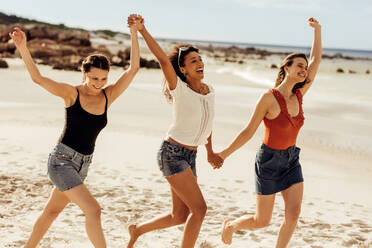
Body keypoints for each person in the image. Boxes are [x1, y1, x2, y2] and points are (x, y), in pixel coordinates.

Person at [9, 15, 140, 248]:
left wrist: (134, 33)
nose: (98, 83)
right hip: (61, 161)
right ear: (84, 73)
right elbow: (38, 79)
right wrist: (23, 47)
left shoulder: (108, 96)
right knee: (94, 210)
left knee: (52, 212)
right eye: (93, 78)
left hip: (84, 164)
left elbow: (133, 69)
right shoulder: (72, 94)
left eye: (103, 78)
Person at [219, 17, 322, 248]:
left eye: (305, 68)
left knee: (293, 216)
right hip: (268, 162)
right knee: (261, 221)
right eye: (299, 66)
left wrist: (318, 31)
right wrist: (223, 154)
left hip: (291, 160)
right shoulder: (268, 98)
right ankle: (231, 225)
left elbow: (316, 60)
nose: (304, 70)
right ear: (286, 67)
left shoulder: (300, 95)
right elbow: (248, 131)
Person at [126, 16, 222, 248]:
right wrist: (142, 30)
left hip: (190, 156)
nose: (199, 63)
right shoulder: (179, 89)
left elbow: (208, 124)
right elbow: (162, 59)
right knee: (199, 210)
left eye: (200, 59)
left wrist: (210, 152)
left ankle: (137, 230)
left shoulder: (209, 91)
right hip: (172, 154)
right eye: (193, 61)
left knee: (180, 215)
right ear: (182, 69)